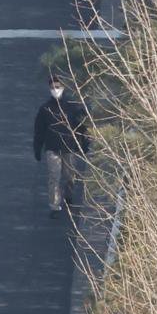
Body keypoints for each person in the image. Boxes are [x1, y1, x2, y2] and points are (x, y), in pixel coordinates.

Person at [33, 76, 90, 213]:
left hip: (69, 148)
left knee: (70, 176)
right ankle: (54, 206)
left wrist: (84, 143)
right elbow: (39, 130)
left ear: (63, 88)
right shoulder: (45, 109)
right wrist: (37, 148)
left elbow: (82, 127)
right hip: (52, 149)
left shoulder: (72, 107)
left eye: (57, 87)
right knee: (54, 177)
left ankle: (68, 196)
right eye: (52, 87)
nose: (55, 90)